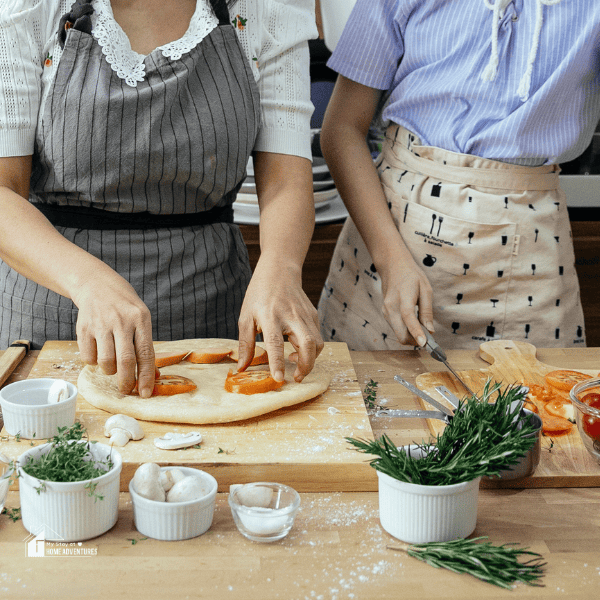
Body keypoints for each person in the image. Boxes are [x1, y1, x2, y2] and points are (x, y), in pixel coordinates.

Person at [0, 0, 323, 398]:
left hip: (208, 309)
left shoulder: (264, 10)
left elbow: (286, 180)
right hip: (55, 312)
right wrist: (87, 282)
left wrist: (283, 267)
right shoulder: (29, 9)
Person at [317, 0, 600, 351]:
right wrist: (390, 260)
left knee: (538, 404)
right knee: (364, 401)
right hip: (390, 241)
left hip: (532, 251)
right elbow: (342, 129)